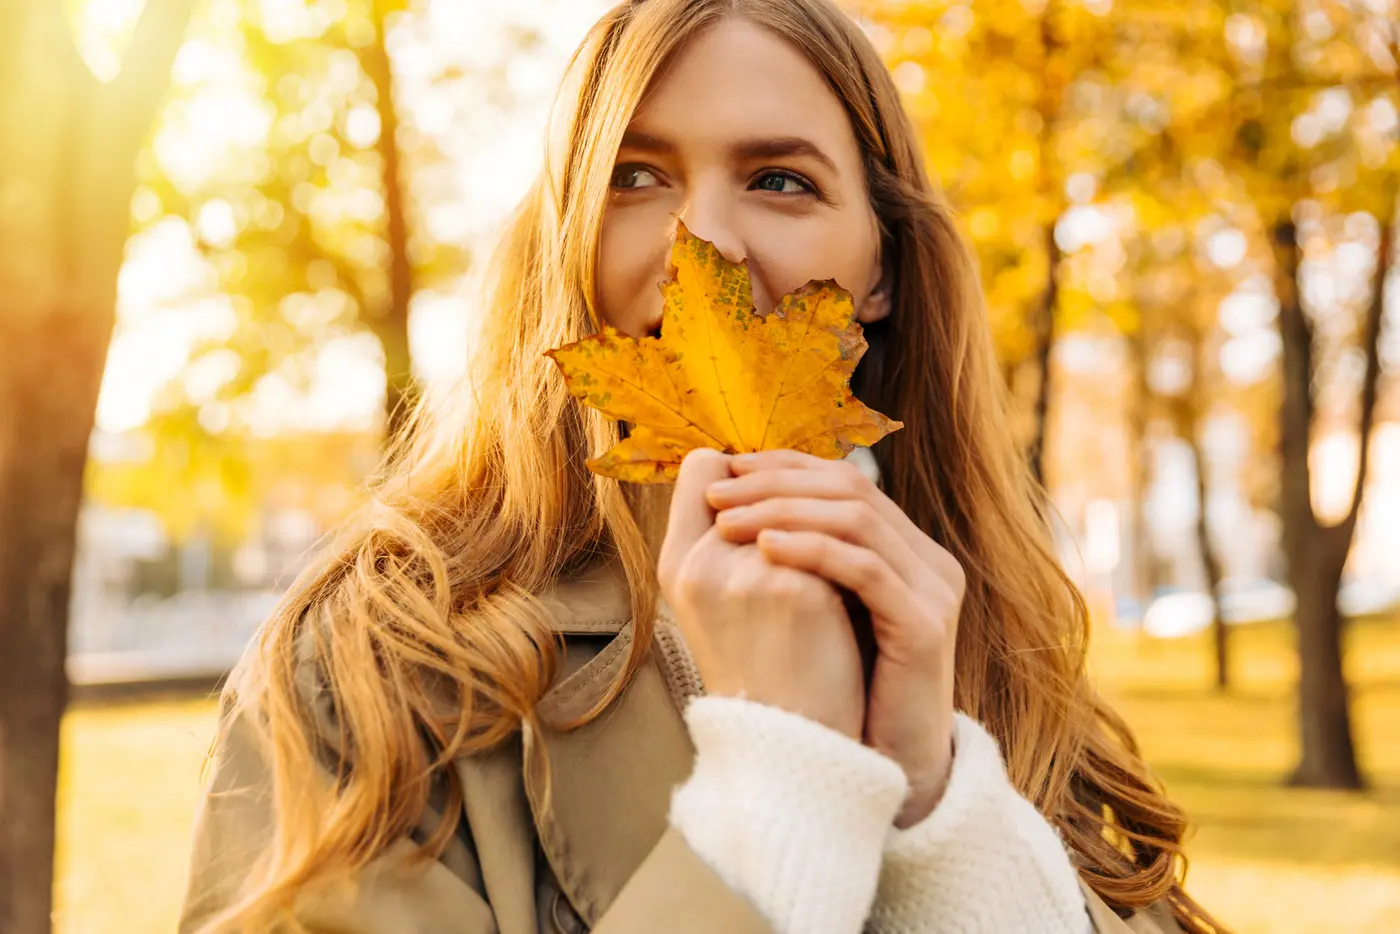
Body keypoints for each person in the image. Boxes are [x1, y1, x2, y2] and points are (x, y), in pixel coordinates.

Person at [178, 1, 1227, 932]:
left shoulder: (990, 642)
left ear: (879, 275)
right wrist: (777, 794)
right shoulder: (368, 672)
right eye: (635, 177)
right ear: (562, 247)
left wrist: (933, 808)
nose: (700, 244)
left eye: (779, 180)